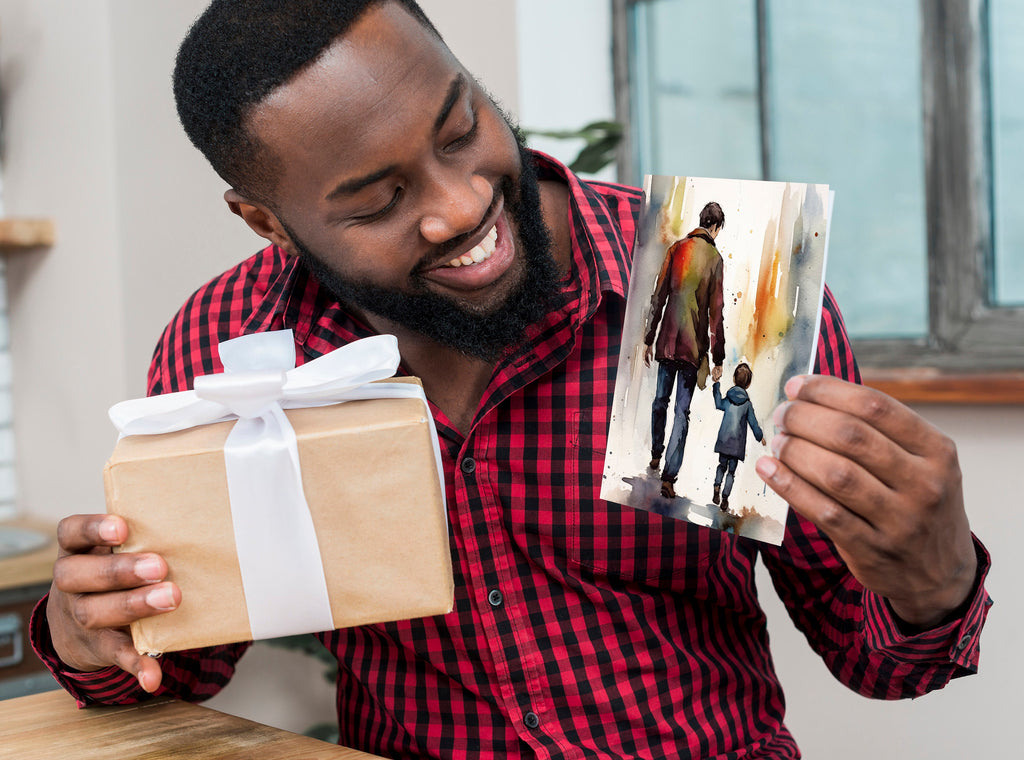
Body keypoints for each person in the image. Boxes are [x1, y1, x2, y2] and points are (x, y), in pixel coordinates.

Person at [32, 2, 991, 758]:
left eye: (460, 130)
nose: (459, 208)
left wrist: (933, 574)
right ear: (267, 223)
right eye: (378, 200)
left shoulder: (713, 290)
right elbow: (182, 667)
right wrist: (92, 634)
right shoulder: (235, 344)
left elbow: (881, 661)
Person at [643, 202, 726, 500]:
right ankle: (669, 477)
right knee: (681, 411)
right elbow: (716, 313)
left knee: (659, 402)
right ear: (716, 227)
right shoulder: (715, 258)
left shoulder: (677, 249)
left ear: (701, 220)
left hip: (667, 340)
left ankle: (655, 453)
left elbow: (659, 294)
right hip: (693, 348)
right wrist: (718, 358)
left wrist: (648, 337)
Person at [711, 363, 765, 513]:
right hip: (736, 445)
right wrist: (760, 437)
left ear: (734, 379)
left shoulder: (728, 400)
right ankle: (725, 498)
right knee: (731, 472)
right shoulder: (747, 404)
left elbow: (717, 404)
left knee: (721, 466)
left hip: (724, 440)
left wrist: (716, 385)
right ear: (748, 384)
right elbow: (753, 424)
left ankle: (716, 485)